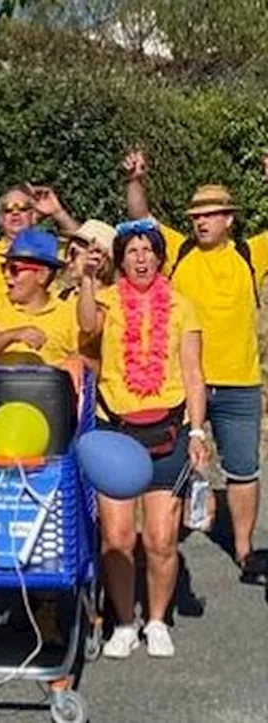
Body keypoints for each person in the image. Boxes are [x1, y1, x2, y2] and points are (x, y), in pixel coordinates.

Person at [124, 148, 268, 584]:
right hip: (184, 383)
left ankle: (245, 552)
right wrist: (135, 179)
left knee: (242, 468)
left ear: (229, 219)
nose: (201, 222)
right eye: (196, 216)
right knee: (168, 465)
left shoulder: (249, 252)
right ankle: (159, 545)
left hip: (240, 382)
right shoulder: (178, 250)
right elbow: (140, 217)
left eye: (211, 215)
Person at [76, 219, 209, 658]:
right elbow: (87, 326)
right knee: (116, 537)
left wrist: (196, 430)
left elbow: (193, 372)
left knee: (160, 538)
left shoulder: (184, 306)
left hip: (167, 430)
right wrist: (88, 280)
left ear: (159, 256)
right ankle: (123, 622)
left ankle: (156, 620)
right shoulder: (108, 300)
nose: (140, 258)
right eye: (131, 251)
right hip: (116, 431)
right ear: (120, 259)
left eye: (147, 250)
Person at [0, 228, 80, 366]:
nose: (6, 275)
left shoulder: (68, 313)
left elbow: (87, 360)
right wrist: (12, 335)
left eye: (14, 269)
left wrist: (76, 363)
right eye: (3, 267)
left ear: (42, 275)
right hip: (1, 386)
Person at [0, 184, 81, 299]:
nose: (15, 213)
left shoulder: (50, 246)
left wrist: (58, 213)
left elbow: (85, 247)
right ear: (0, 219)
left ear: (33, 216)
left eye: (23, 209)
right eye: (7, 210)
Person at [58, 219, 116, 300]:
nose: (67, 260)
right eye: (67, 252)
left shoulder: (114, 304)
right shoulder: (63, 296)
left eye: (74, 254)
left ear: (99, 260)